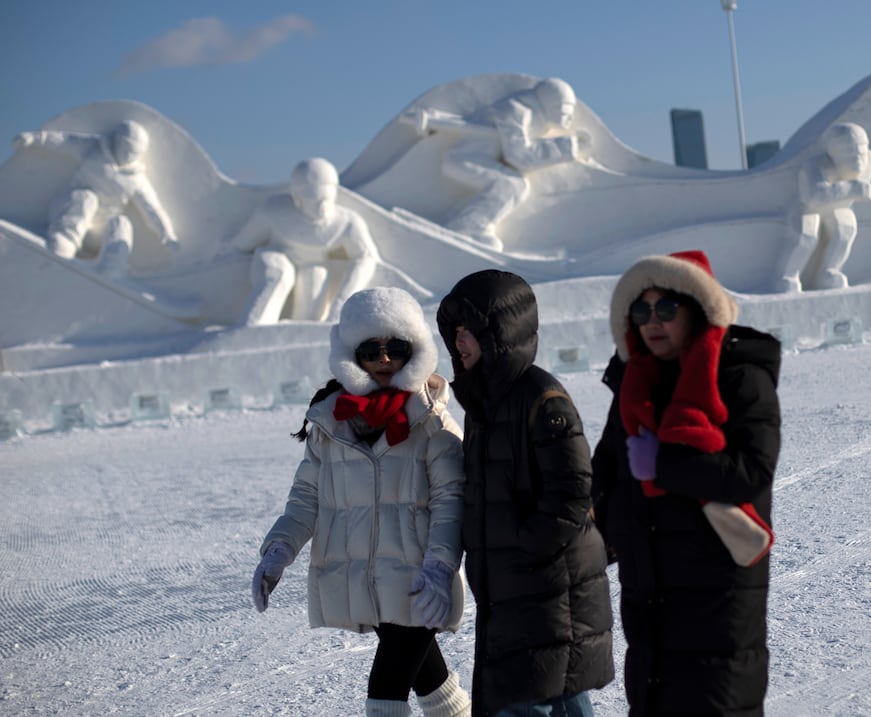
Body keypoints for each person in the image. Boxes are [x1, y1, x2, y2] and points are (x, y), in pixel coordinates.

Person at [252, 287, 471, 717]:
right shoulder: (330, 422)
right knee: (430, 681)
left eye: (397, 348)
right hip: (371, 581)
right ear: (353, 354)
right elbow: (306, 497)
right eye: (372, 349)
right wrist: (278, 550)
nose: (385, 359)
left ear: (415, 351)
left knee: (385, 694)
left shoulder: (432, 421)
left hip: (418, 580)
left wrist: (440, 566)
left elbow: (452, 500)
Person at [591, 250, 782, 716]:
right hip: (649, 591)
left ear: (696, 309)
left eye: (666, 308)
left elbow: (751, 473)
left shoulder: (740, 378)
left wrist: (665, 466)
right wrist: (609, 539)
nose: (653, 321)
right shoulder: (633, 385)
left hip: (717, 591)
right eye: (641, 310)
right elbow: (605, 479)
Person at [434, 269, 614, 716]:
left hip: (546, 583)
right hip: (514, 586)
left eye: (470, 331)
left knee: (531, 695)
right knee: (554, 690)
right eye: (455, 332)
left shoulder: (540, 395)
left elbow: (574, 490)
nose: (459, 342)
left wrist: (525, 545)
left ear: (500, 333)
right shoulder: (483, 402)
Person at [401, 78, 592, 251]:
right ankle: (467, 227)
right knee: (510, 185)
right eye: (565, 107)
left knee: (512, 184)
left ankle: (460, 221)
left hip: (477, 158)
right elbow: (520, 156)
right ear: (551, 103)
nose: (568, 115)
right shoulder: (515, 111)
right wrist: (568, 146)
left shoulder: (530, 114)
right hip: (465, 159)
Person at [12, 119, 179, 276]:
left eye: (135, 152)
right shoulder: (94, 148)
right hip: (70, 214)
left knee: (121, 222)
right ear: (117, 141)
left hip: (98, 233)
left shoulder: (137, 180)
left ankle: (112, 267)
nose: (129, 155)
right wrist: (34, 138)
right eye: (127, 148)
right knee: (87, 198)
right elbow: (65, 140)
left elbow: (153, 208)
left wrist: (168, 235)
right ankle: (63, 243)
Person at [229, 157, 379, 325]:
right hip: (276, 255)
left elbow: (366, 257)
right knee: (279, 276)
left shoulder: (346, 222)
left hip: (313, 264)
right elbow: (242, 244)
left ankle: (297, 338)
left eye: (325, 200)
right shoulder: (275, 211)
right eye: (312, 200)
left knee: (315, 288)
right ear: (297, 197)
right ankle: (251, 327)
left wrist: (341, 302)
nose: (320, 208)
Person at [779, 122, 871, 292]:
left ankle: (829, 271)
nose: (857, 159)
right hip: (808, 210)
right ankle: (788, 276)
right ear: (834, 155)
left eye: (861, 152)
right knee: (807, 237)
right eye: (848, 152)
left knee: (845, 229)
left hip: (838, 207)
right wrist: (852, 188)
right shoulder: (816, 166)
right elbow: (815, 196)